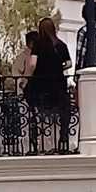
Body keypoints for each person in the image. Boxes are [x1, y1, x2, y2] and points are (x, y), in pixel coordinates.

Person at [23, 16, 72, 147]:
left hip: (41, 83)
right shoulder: (61, 45)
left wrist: (28, 77)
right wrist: (57, 67)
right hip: (58, 83)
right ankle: (64, 135)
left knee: (32, 106)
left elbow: (33, 64)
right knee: (64, 107)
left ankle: (34, 137)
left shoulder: (38, 44)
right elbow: (69, 63)